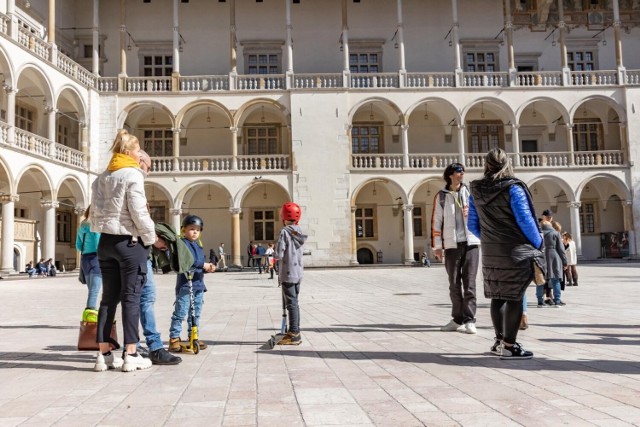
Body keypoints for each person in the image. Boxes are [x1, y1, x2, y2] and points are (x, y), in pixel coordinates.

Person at [91, 129, 159, 372]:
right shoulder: (133, 174)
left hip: (105, 242)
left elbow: (95, 212)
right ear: (131, 152)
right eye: (138, 150)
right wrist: (150, 239)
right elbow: (138, 212)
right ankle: (131, 353)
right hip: (129, 243)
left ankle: (103, 354)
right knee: (131, 298)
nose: (140, 154)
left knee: (108, 299)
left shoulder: (102, 177)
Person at [468, 148, 543, 360]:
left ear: (486, 165)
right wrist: (539, 242)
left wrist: (491, 238)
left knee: (498, 296)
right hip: (514, 249)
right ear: (507, 164)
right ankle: (510, 346)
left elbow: (472, 224)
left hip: (492, 251)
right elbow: (525, 221)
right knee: (515, 296)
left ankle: (499, 342)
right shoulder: (514, 188)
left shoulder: (476, 189)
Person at [137, 150, 182, 365]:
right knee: (145, 297)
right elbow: (139, 218)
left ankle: (127, 347)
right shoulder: (132, 181)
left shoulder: (107, 180)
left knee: (124, 300)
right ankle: (153, 347)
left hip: (115, 251)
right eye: (148, 166)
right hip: (136, 251)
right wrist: (155, 240)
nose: (149, 171)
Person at [431, 162, 480, 335]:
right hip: (452, 244)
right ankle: (457, 318)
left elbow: (480, 215)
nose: (462, 174)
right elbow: (436, 221)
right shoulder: (442, 196)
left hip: (471, 243)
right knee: (453, 284)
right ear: (450, 174)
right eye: (459, 171)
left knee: (470, 283)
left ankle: (469, 320)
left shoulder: (470, 193)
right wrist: (437, 246)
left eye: (463, 171)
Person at [169, 215, 216, 353]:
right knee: (181, 312)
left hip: (198, 284)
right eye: (191, 229)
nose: (195, 232)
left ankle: (193, 336)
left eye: (197, 229)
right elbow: (188, 261)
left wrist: (208, 268)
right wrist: (204, 265)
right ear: (184, 230)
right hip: (185, 285)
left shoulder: (198, 245)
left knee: (195, 313)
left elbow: (199, 265)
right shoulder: (182, 244)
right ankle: (174, 338)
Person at [275, 202, 308, 345]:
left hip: (288, 272)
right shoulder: (299, 231)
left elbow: (279, 253)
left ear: (283, 216)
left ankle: (294, 333)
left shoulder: (284, 232)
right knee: (295, 303)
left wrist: (274, 257)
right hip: (298, 273)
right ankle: (295, 331)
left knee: (291, 304)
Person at [75, 205, 102, 312]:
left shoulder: (82, 225)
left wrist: (86, 248)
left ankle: (91, 313)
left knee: (91, 289)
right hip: (96, 258)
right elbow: (96, 241)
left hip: (85, 259)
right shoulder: (95, 225)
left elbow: (78, 245)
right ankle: (90, 313)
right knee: (95, 290)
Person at [541, 220, 567, 306]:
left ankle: (541, 300)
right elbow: (561, 249)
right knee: (556, 279)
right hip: (554, 256)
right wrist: (565, 261)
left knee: (541, 280)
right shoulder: (556, 233)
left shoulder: (540, 233)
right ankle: (557, 300)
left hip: (542, 256)